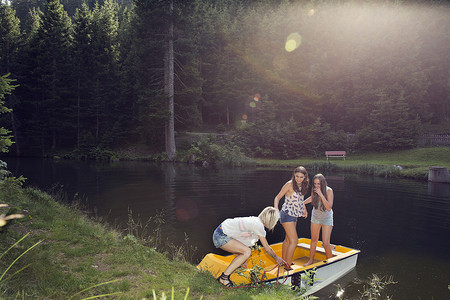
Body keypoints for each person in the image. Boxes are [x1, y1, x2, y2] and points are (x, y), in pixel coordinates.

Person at [212, 206, 287, 287]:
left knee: (245, 252)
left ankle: (236, 275)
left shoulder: (255, 221)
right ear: (271, 220)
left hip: (220, 232)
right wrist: (277, 258)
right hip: (221, 236)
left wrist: (244, 262)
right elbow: (267, 248)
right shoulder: (258, 226)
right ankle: (224, 277)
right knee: (247, 252)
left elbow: (244, 243)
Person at [273, 166, 309, 269]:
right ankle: (287, 267)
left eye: (301, 177)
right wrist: (276, 209)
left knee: (288, 240)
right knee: (294, 241)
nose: (298, 179)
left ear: (305, 177)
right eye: (297, 176)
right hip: (286, 214)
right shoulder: (289, 184)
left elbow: (301, 200)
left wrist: (304, 209)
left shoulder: (302, 185)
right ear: (294, 175)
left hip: (294, 215)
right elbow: (277, 197)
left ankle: (284, 261)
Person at [303, 173, 334, 266]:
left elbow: (329, 207)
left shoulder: (329, 191)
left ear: (323, 183)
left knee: (325, 243)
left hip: (327, 219)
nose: (316, 186)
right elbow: (312, 198)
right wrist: (302, 203)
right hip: (315, 217)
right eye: (315, 184)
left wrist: (321, 194)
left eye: (319, 184)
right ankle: (310, 260)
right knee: (313, 240)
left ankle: (331, 262)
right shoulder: (314, 190)